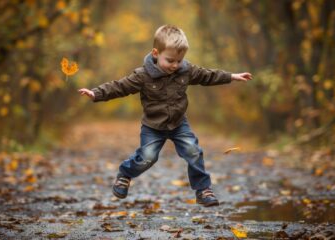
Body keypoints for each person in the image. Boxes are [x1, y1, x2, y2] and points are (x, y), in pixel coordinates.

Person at [78, 25, 252, 207]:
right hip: (153, 126)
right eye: (170, 60)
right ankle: (125, 174)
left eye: (179, 60)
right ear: (155, 53)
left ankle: (203, 190)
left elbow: (207, 75)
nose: (175, 65)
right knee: (148, 157)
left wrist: (231, 76)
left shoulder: (185, 70)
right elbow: (120, 86)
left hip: (178, 123)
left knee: (193, 151)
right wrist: (96, 93)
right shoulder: (143, 75)